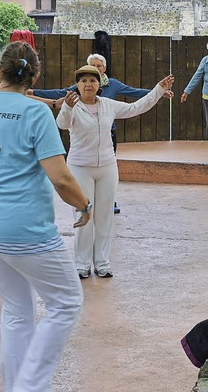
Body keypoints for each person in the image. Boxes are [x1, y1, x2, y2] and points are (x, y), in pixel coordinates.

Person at [0, 41, 91, 392]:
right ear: (33, 75)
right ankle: (30, 387)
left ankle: (16, 386)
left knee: (17, 310)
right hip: (25, 230)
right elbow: (61, 177)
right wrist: (85, 206)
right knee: (66, 302)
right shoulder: (35, 113)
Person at [57, 65, 174, 279]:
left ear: (99, 83)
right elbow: (62, 124)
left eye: (92, 80)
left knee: (104, 216)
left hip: (107, 168)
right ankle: (82, 264)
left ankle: (102, 262)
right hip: (80, 167)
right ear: (78, 85)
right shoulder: (72, 106)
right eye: (83, 81)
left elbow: (137, 107)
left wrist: (158, 89)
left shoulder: (108, 105)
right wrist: (66, 107)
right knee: (84, 214)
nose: (88, 85)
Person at [30, 53, 152, 214]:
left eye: (98, 67)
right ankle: (86, 204)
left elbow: (134, 94)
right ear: (79, 83)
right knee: (85, 201)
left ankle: (109, 201)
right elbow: (57, 96)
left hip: (108, 136)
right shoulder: (74, 97)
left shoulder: (113, 86)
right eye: (92, 66)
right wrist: (34, 92)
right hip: (82, 158)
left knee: (106, 182)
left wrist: (156, 91)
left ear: (104, 69)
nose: (94, 70)